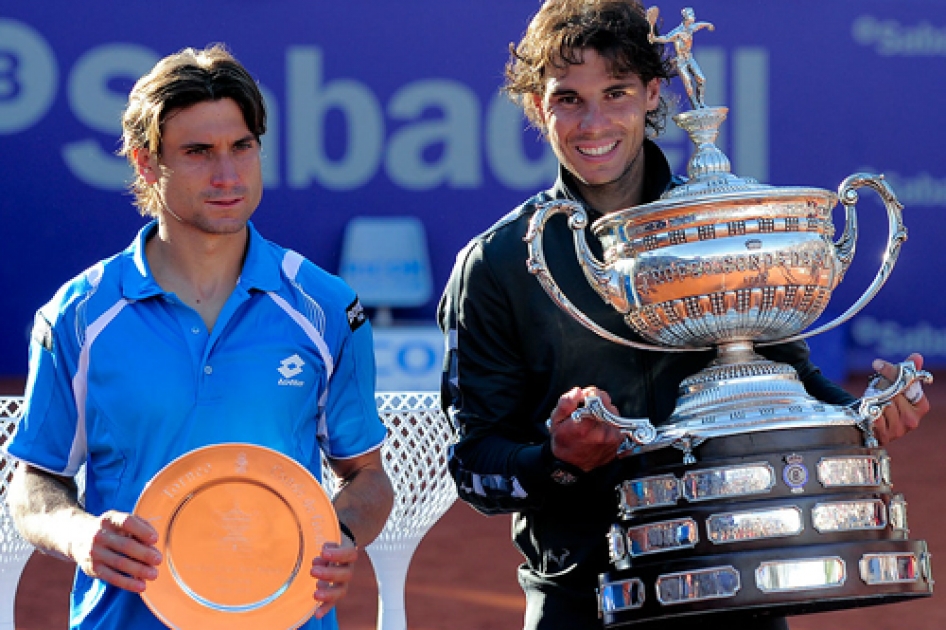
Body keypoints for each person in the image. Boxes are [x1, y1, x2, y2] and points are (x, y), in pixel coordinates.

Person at [437, 2, 930, 629]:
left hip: (739, 587)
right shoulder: (497, 266)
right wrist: (558, 459)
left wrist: (860, 416)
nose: (594, 123)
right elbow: (475, 469)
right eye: (568, 99)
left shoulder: (720, 229)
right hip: (584, 601)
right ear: (538, 106)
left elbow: (786, 380)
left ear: (652, 94)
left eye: (615, 92)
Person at [4, 44, 393, 630]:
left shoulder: (328, 307)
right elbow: (35, 483)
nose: (228, 175)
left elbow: (366, 476)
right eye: (197, 153)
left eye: (242, 147)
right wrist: (80, 534)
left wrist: (337, 536)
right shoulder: (78, 314)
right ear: (144, 163)